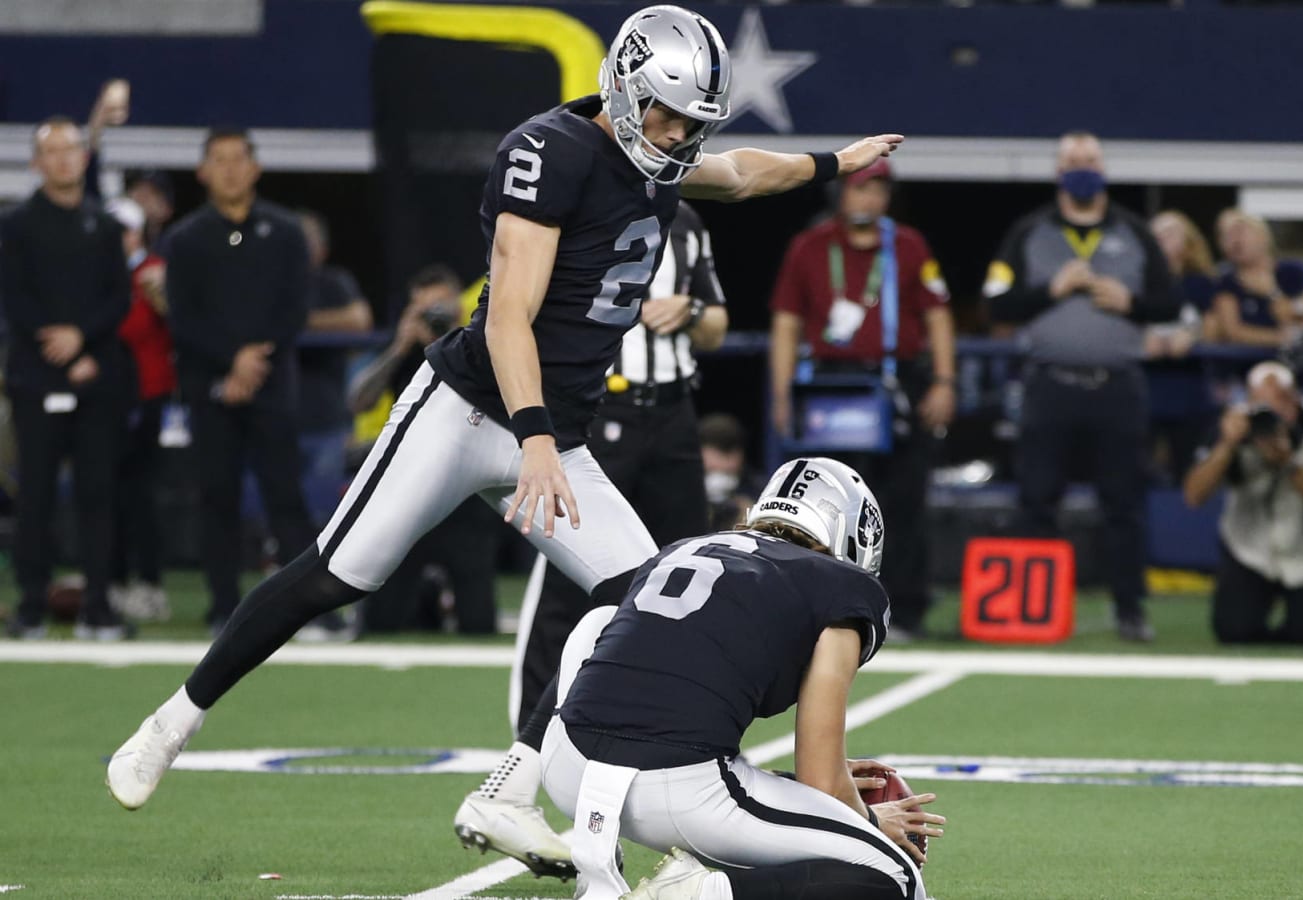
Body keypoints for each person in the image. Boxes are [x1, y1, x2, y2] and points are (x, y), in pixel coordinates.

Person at [107, 5, 904, 879]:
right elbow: (510, 320)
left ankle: (513, 785)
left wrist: (834, 160)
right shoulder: (551, 150)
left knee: (641, 605)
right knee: (339, 571)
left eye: (692, 124)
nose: (677, 137)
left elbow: (744, 174)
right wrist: (532, 437)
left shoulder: (662, 160)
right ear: (625, 85)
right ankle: (172, 721)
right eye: (668, 115)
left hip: (551, 430)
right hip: (471, 407)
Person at [540, 457, 943, 900]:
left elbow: (660, 693)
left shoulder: (682, 549)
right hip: (676, 791)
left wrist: (796, 784)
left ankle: (518, 786)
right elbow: (822, 780)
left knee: (600, 620)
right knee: (896, 875)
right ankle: (701, 892)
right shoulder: (843, 586)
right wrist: (870, 820)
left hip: (566, 766)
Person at [513, 198, 729, 727]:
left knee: (689, 573)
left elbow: (717, 324)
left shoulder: (685, 221)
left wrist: (691, 311)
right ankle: (531, 739)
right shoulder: (571, 213)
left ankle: (683, 724)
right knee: (569, 574)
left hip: (673, 411)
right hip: (597, 409)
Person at [983, 131, 1177, 642]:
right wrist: (1052, 290)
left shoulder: (1135, 232)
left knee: (1124, 505)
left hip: (1118, 387)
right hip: (1050, 385)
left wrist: (1131, 303)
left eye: (1090, 161)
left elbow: (1172, 304)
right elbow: (996, 303)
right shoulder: (1030, 232)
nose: (1082, 169)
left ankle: (1130, 613)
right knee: (1037, 499)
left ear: (1104, 169)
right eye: (1073, 161)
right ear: (1058, 172)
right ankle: (1031, 608)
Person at [768, 157, 956, 640]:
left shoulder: (910, 246)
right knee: (829, 504)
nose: (869, 199)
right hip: (832, 388)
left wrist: (944, 381)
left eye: (878, 191)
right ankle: (832, 610)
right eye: (859, 189)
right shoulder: (809, 247)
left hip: (896, 385)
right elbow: (787, 323)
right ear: (840, 194)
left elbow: (937, 316)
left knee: (905, 500)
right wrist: (783, 392)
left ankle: (906, 611)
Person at [159, 127, 317, 632]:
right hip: (210, 387)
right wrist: (232, 361)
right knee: (216, 495)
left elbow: (295, 307)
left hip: (272, 384)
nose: (229, 169)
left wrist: (253, 360)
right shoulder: (184, 239)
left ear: (255, 166)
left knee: (285, 496)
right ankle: (223, 608)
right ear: (203, 171)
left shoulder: (286, 230)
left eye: (237, 159)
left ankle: (303, 610)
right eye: (218, 160)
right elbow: (181, 316)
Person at [0, 117, 134, 640]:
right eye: (51, 152)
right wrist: (59, 345)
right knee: (33, 493)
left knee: (99, 492)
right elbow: (14, 297)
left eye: (70, 150)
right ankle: (31, 605)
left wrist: (82, 339)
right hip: (36, 378)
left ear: (85, 157)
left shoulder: (103, 226)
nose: (62, 160)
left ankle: (98, 605)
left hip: (97, 377)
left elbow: (117, 298)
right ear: (36, 162)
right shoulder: (16, 225)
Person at [347, 264, 503, 636]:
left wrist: (457, 337)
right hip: (409, 491)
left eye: (440, 309)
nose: (434, 319)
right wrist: (400, 346)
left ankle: (441, 600)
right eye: (424, 311)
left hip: (465, 493)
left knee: (479, 624)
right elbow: (358, 400)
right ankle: (422, 602)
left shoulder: (483, 343)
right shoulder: (405, 353)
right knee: (381, 622)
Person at [1183, 362, 1303, 645]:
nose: (1271, 413)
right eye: (1260, 402)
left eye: (1281, 401)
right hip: (1251, 548)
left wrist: (1289, 464)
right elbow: (1193, 496)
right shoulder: (1233, 425)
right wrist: (1226, 446)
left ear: (1294, 397)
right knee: (1234, 631)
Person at [106, 196, 176, 624]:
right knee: (106, 493)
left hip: (147, 395)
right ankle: (112, 582)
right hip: (107, 397)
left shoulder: (152, 272)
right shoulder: (105, 273)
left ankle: (148, 584)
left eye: (125, 231)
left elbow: (161, 325)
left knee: (138, 494)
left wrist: (162, 294)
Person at [295, 209, 374, 526]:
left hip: (328, 419)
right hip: (277, 418)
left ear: (322, 249)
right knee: (280, 507)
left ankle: (324, 575)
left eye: (306, 242)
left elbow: (359, 320)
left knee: (326, 512)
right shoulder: (268, 283)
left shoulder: (333, 282)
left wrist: (298, 324)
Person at [1145, 210, 1218, 485]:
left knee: (1188, 470)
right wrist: (1141, 336)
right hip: (1144, 389)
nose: (1161, 238)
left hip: (1190, 391)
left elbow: (1214, 329)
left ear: (1189, 244)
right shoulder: (1137, 284)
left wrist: (1193, 334)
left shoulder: (1201, 283)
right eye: (1156, 233)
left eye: (1170, 232)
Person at [1209, 209, 1303, 349]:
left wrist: (1271, 292)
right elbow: (1233, 331)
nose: (1234, 240)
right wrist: (1278, 338)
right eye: (1225, 234)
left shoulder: (1294, 270)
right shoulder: (1224, 280)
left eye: (1239, 231)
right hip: (1245, 362)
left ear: (1262, 235)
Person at [700, 412, 762, 532]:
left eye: (726, 472)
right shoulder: (686, 491)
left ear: (737, 456)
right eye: (712, 469)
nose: (718, 472)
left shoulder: (759, 490)